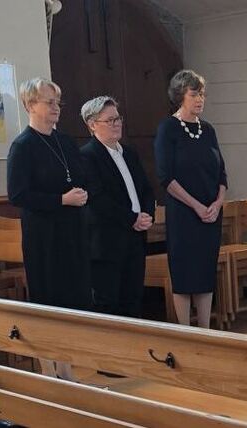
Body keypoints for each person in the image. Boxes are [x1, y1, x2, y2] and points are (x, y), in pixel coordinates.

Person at [7, 77, 91, 380]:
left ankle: (66, 370)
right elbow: (18, 195)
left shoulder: (65, 141)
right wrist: (61, 199)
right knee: (48, 302)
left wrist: (82, 193)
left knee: (71, 302)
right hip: (44, 238)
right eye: (49, 102)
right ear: (31, 105)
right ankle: (47, 371)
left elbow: (80, 175)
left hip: (71, 233)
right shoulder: (23, 146)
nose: (56, 107)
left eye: (58, 102)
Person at [154, 70, 227, 328]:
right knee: (185, 273)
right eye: (194, 94)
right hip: (184, 213)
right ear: (180, 96)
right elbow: (166, 177)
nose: (200, 99)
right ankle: (185, 332)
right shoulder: (168, 128)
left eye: (202, 94)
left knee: (205, 272)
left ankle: (205, 331)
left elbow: (222, 173)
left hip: (211, 213)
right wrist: (196, 206)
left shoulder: (207, 129)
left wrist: (217, 204)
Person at [80, 96, 155, 318]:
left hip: (135, 237)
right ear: (92, 125)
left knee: (133, 300)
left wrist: (147, 214)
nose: (116, 124)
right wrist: (132, 218)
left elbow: (146, 189)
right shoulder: (87, 156)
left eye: (118, 118)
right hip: (107, 242)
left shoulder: (129, 153)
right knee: (108, 303)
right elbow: (98, 199)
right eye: (110, 120)